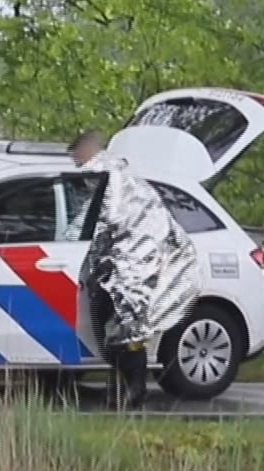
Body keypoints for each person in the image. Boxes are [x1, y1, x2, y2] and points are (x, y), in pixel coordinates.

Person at [70, 130, 199, 409]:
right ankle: (122, 387)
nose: (76, 161)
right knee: (113, 327)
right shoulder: (115, 173)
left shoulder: (106, 175)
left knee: (127, 329)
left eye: (77, 156)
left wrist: (84, 251)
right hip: (126, 261)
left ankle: (134, 390)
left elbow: (105, 222)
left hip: (134, 263)